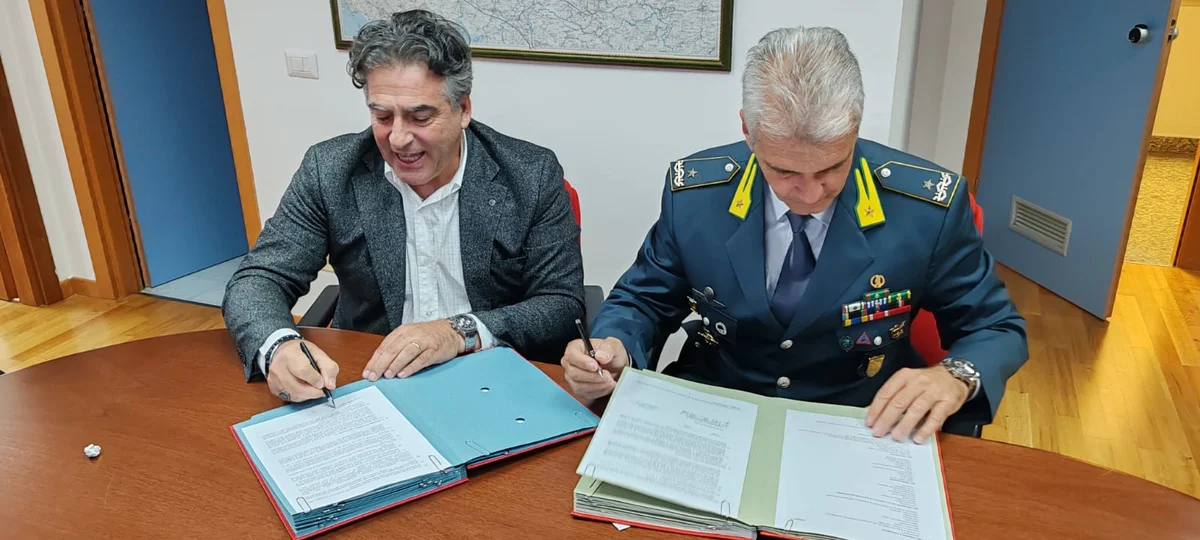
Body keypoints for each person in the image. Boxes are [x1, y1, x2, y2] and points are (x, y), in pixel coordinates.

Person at [562, 26, 1028, 444]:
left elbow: (996, 327)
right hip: (715, 412)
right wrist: (614, 347)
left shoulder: (926, 210)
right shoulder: (696, 195)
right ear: (748, 130)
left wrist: (957, 375)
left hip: (861, 420)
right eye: (783, 170)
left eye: (832, 167)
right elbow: (643, 299)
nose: (809, 192)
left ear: (854, 127)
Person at [223, 10, 584, 404]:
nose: (397, 138)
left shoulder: (530, 174)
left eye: (420, 116)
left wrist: (455, 332)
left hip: (494, 380)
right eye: (382, 116)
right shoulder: (330, 170)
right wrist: (278, 345)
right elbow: (257, 280)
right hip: (371, 379)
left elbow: (560, 305)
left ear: (463, 109)